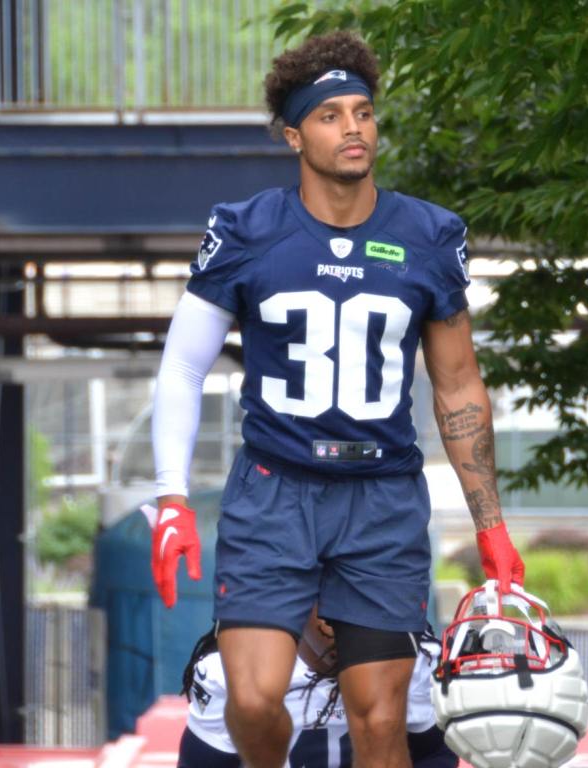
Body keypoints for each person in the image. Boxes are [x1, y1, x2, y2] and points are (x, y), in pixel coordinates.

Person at [151, 30, 525, 768]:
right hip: (273, 491)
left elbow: (457, 384)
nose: (353, 128)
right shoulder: (246, 229)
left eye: (363, 112)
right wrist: (170, 497)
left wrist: (492, 524)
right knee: (253, 700)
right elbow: (181, 368)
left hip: (381, 497)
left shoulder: (429, 235)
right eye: (330, 116)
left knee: (381, 721)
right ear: (294, 134)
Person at [176, 608, 457, 768]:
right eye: (327, 607)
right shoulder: (229, 670)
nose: (338, 629)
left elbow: (434, 755)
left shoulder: (414, 660)